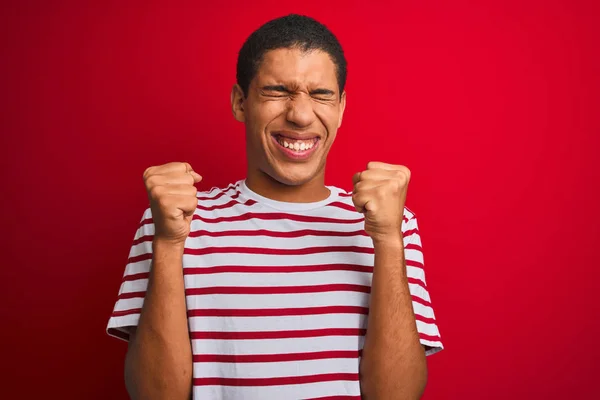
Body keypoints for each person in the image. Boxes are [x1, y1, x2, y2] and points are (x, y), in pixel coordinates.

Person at [107, 13, 443, 400]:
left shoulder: (391, 223)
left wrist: (387, 239)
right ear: (240, 102)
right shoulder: (173, 220)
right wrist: (168, 244)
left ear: (341, 107)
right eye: (277, 91)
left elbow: (397, 396)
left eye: (321, 95)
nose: (300, 115)